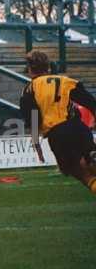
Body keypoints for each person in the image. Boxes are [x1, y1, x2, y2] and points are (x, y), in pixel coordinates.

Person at [20, 50, 96, 195]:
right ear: (48, 67)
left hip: (57, 134)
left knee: (78, 171)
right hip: (78, 127)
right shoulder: (65, 81)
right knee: (90, 162)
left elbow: (34, 121)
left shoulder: (29, 90)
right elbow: (91, 102)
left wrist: (37, 145)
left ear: (29, 69)